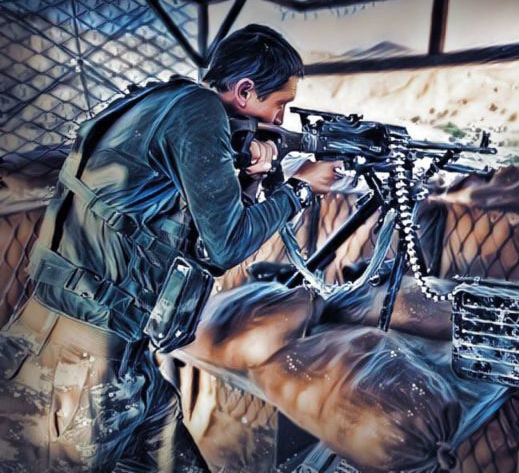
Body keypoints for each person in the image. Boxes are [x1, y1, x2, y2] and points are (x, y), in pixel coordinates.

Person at [0, 24, 333, 471]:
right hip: (75, 364)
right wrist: (300, 190)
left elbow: (201, 242)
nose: (280, 119)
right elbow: (226, 246)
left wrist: (253, 179)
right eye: (280, 104)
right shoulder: (199, 111)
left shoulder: (169, 103)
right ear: (244, 90)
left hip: (122, 357)